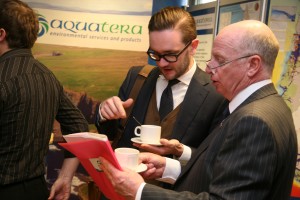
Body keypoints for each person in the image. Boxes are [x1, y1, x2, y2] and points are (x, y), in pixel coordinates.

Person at [99, 19, 298, 200]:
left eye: (220, 60)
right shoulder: (269, 105)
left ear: (253, 65)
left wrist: (140, 191)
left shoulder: (254, 120)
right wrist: (168, 167)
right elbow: (220, 172)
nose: (209, 67)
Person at [95, 6, 225, 156]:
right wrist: (104, 113)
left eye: (170, 54)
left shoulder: (216, 93)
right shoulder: (136, 77)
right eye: (155, 54)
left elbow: (215, 157)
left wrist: (182, 152)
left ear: (193, 47)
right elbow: (111, 133)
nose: (161, 63)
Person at [0, 1, 89, 199]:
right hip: (36, 190)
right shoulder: (47, 76)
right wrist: (66, 177)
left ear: (1, 34)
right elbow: (80, 127)